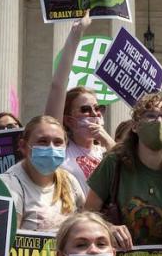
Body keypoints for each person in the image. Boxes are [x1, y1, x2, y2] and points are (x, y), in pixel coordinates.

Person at [86, 93, 162, 247]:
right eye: (151, 116)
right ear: (135, 125)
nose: (159, 122)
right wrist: (108, 229)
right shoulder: (114, 163)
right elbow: (87, 213)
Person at [46, 16, 115, 192]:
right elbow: (58, 86)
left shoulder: (106, 152)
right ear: (68, 120)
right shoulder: (61, 149)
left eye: (97, 108)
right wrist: (76, 33)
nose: (94, 113)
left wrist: (107, 140)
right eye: (85, 109)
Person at [1, 116, 86, 231]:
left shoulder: (69, 180)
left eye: (58, 142)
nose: (51, 148)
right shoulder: (9, 184)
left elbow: (85, 224)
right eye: (42, 142)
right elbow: (8, 239)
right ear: (23, 146)